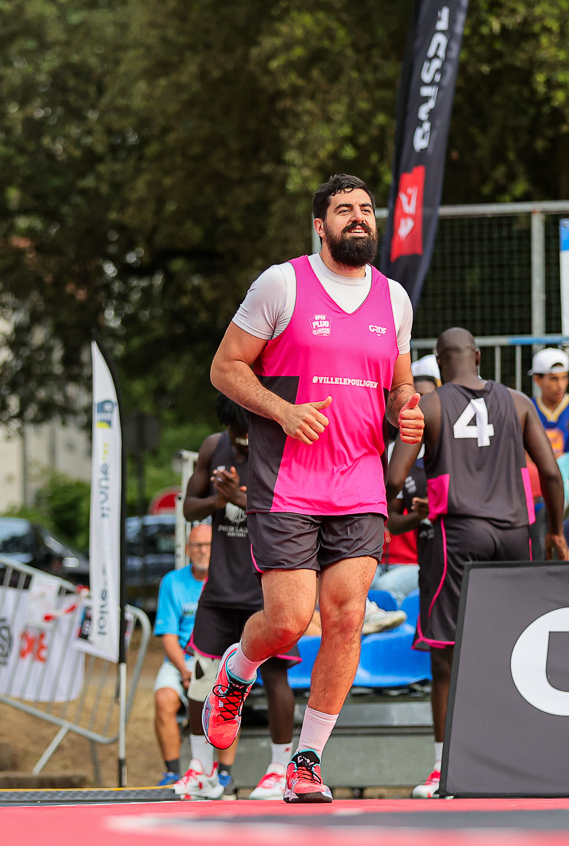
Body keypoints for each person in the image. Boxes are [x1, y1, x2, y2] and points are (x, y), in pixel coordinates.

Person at [207, 173, 424, 804]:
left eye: (366, 209)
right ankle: (236, 669)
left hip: (360, 481)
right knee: (288, 620)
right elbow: (224, 367)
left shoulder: (395, 299)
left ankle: (307, 760)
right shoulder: (283, 284)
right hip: (288, 483)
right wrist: (282, 410)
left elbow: (399, 386)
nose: (359, 218)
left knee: (347, 617)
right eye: (344, 209)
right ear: (319, 225)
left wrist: (406, 411)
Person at [386, 327, 564, 799]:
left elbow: (395, 476)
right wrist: (556, 531)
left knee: (445, 652)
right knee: (516, 644)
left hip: (459, 531)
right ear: (478, 357)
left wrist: (388, 512)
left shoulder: (429, 405)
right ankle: (518, 759)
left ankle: (443, 769)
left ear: (440, 362)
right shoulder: (519, 402)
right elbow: (550, 473)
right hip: (515, 532)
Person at [177, 394, 301, 800]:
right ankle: (201, 770)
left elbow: (289, 508)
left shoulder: (279, 445)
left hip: (267, 589)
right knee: (202, 676)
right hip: (220, 588)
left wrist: (237, 498)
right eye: (235, 432)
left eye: (246, 430)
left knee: (276, 676)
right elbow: (189, 509)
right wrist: (218, 500)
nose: (242, 439)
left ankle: (279, 770)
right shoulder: (213, 447)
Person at [152, 524, 212, 788]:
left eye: (208, 545)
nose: (203, 550)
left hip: (216, 659)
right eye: (197, 545)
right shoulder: (172, 582)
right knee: (163, 698)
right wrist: (185, 671)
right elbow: (168, 635)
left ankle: (221, 772)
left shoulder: (226, 581)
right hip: (181, 659)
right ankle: (172, 773)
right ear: (187, 549)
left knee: (225, 704)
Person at [378, 359, 442, 605]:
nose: (420, 406)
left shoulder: (449, 449)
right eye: (416, 398)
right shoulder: (391, 452)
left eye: (427, 398)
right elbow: (392, 521)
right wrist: (418, 515)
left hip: (425, 559)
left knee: (386, 587)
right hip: (388, 559)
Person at [530, 347, 569, 457]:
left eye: (564, 378)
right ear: (538, 379)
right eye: (554, 379)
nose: (561, 385)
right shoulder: (528, 408)